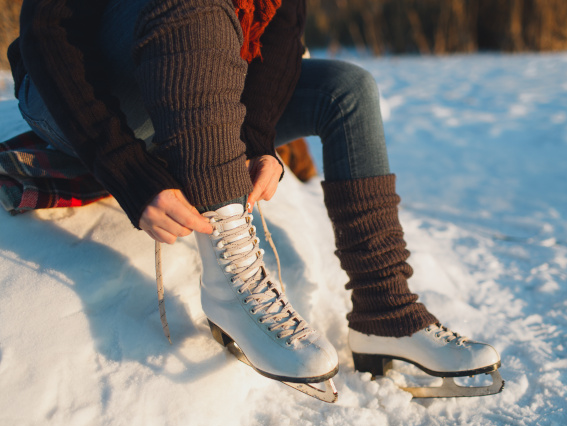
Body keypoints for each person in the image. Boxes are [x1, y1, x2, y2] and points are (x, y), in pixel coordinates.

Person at [7, 0, 502, 399]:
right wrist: (124, 168)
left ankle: (386, 312)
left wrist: (257, 140)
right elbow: (48, 33)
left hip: (207, 84)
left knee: (347, 89)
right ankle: (231, 291)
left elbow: (282, 41)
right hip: (80, 96)